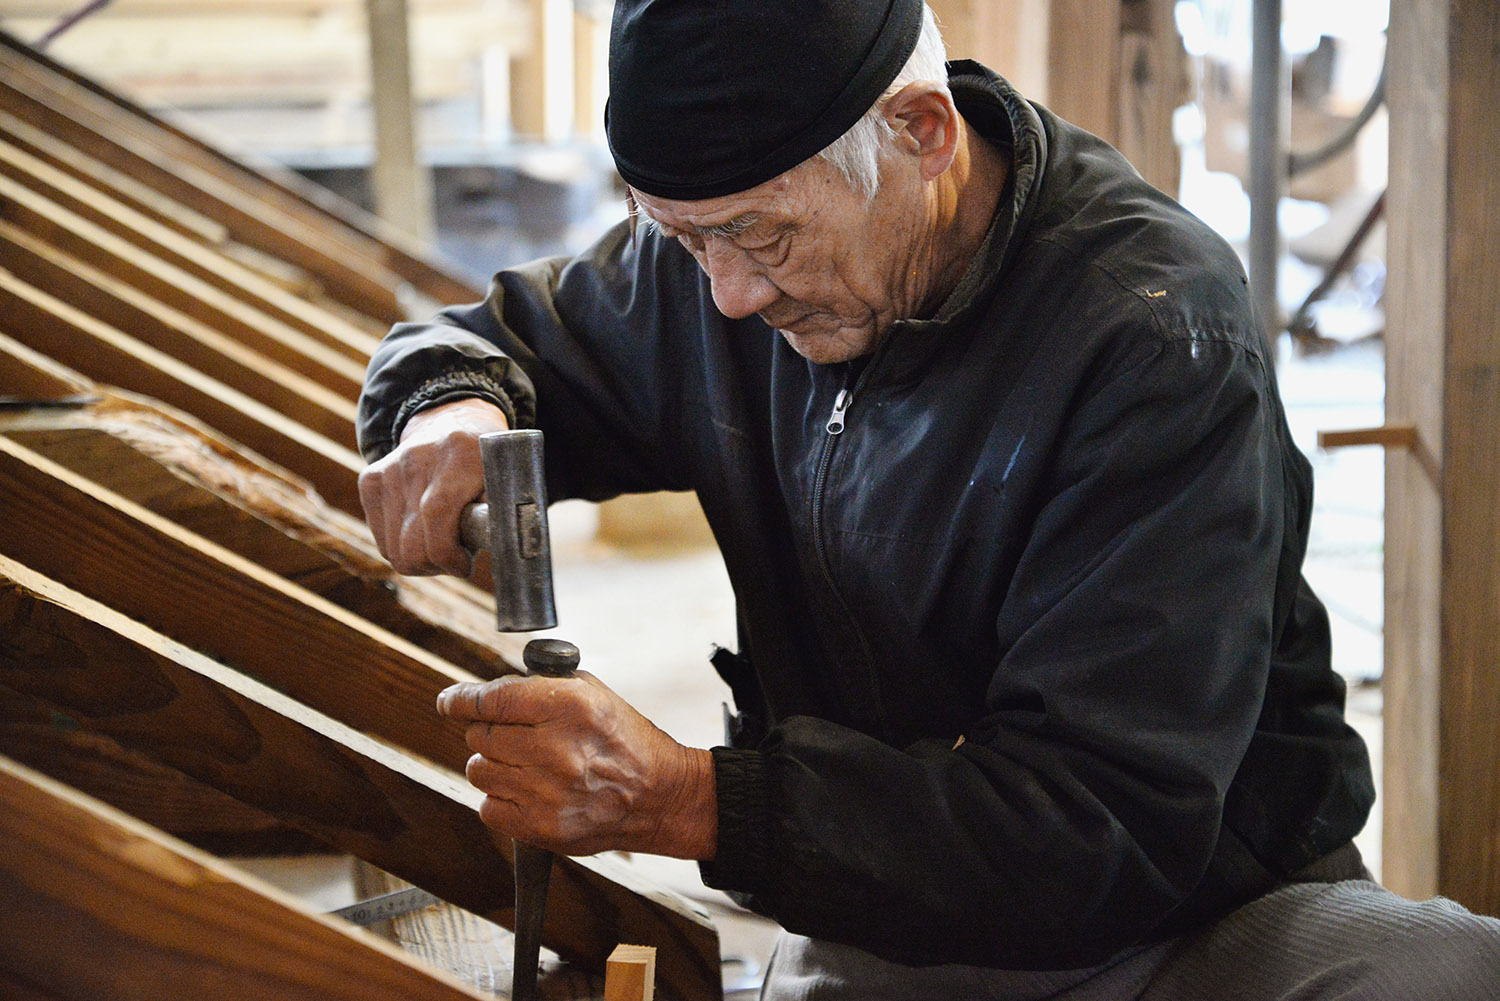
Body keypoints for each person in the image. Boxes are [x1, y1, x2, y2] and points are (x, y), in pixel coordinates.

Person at [356, 1, 1500, 997]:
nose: (731, 296)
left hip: (1198, 923)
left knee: (1454, 971)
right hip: (898, 916)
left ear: (922, 132)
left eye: (760, 235)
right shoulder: (721, 256)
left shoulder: (1154, 337)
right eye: (687, 239)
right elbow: (497, 338)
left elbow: (1103, 826)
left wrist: (693, 800)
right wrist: (452, 411)